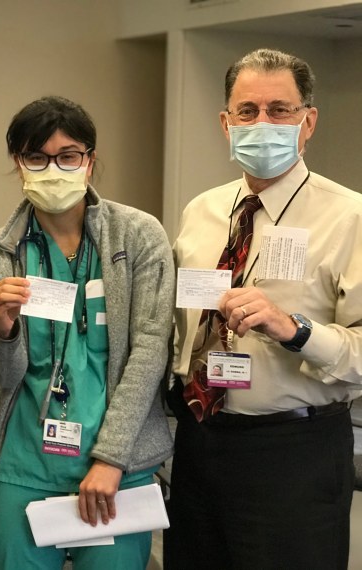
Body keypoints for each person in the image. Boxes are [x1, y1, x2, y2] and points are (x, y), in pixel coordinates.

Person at [167, 48, 362, 569]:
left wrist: (294, 329)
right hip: (199, 442)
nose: (263, 123)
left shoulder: (350, 217)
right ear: (226, 123)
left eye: (280, 110)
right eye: (248, 112)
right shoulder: (202, 210)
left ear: (309, 121)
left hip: (294, 450)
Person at [0, 96, 175, 569]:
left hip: (117, 465)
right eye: (37, 158)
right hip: (25, 464)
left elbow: (148, 351)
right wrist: (1, 328)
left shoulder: (138, 236)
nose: (53, 169)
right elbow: (3, 374)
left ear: (90, 161)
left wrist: (111, 460)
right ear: (18, 164)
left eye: (68, 156)